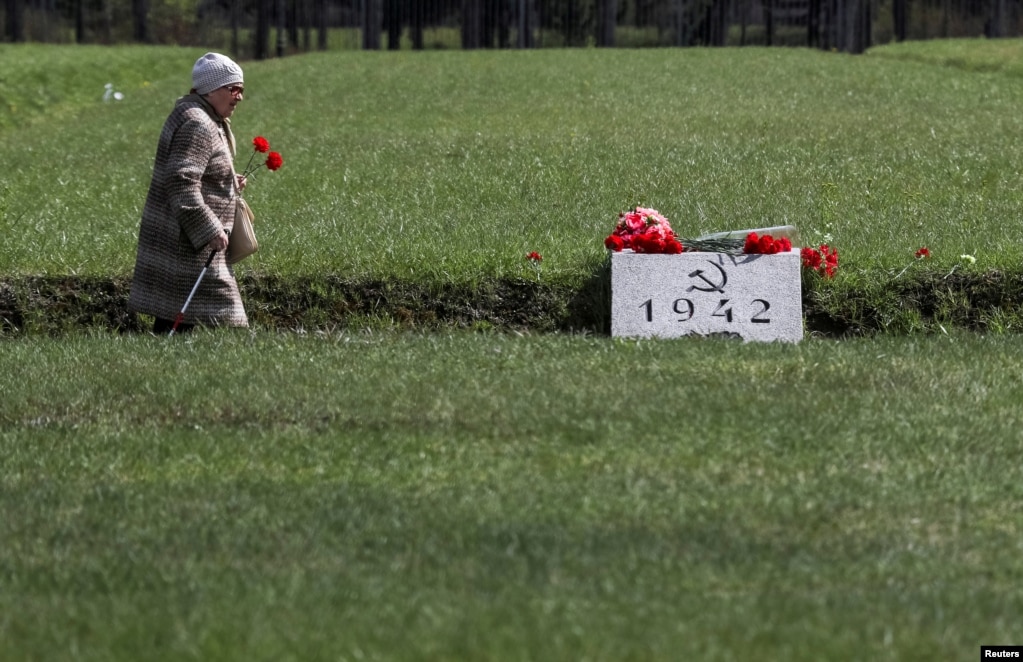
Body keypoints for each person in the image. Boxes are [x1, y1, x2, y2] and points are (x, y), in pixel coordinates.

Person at [128, 52, 250, 334]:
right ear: (212, 89)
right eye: (234, 89)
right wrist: (210, 229)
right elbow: (181, 181)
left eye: (241, 90)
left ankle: (165, 365)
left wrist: (228, 181)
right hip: (187, 241)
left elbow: (196, 172)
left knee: (176, 317)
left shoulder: (203, 116)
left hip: (186, 238)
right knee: (185, 316)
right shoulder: (198, 123)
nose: (239, 97)